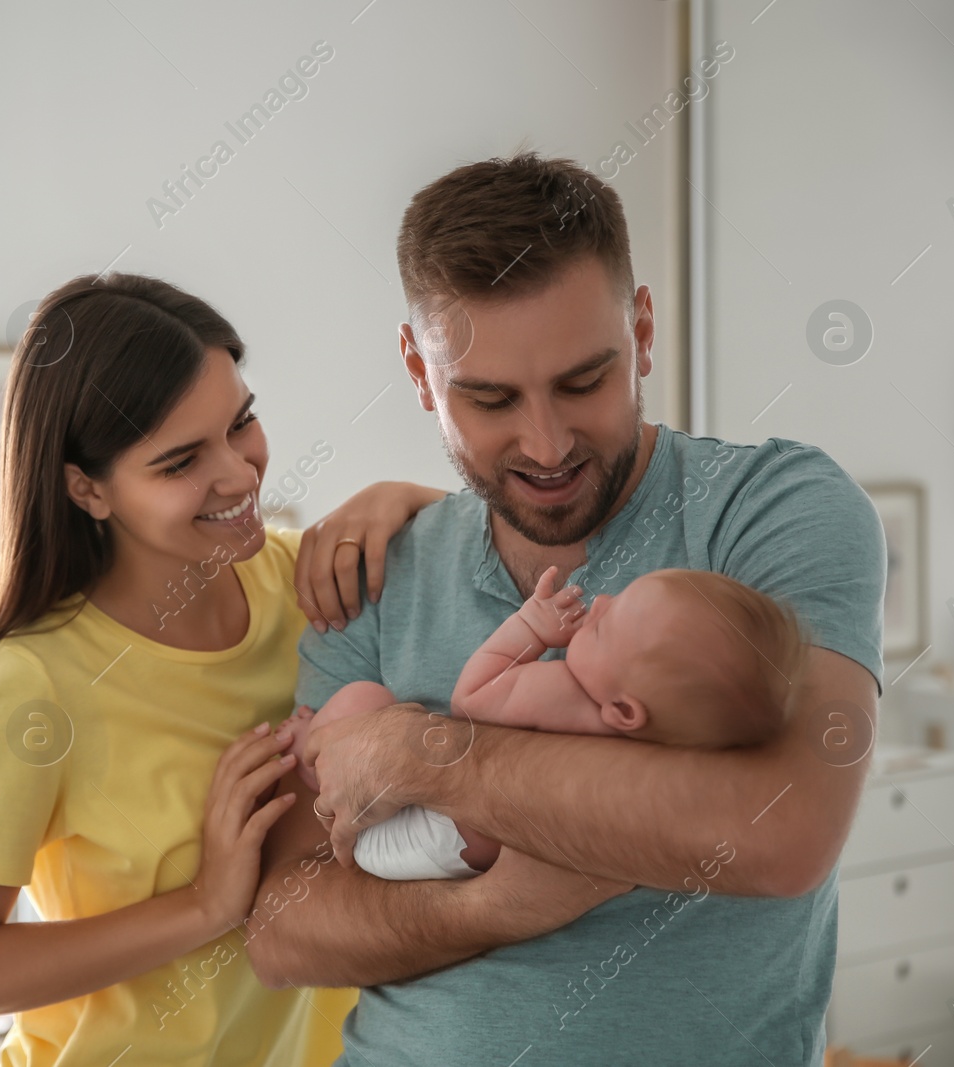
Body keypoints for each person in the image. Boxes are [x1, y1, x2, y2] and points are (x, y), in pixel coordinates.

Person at [246, 153, 886, 1066]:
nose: (546, 445)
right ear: (421, 375)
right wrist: (499, 904)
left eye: (585, 381)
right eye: (490, 398)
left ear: (644, 330)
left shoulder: (773, 508)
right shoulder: (376, 566)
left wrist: (418, 750)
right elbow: (283, 932)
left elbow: (783, 828)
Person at [0, 271, 445, 1067]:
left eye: (242, 422)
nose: (240, 473)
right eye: (181, 460)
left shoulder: (310, 586)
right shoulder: (32, 687)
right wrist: (203, 905)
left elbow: (501, 573)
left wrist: (408, 497)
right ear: (88, 488)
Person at [280, 564, 808, 879]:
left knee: (364, 697)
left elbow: (472, 700)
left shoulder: (566, 694)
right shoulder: (665, 744)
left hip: (407, 836)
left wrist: (530, 629)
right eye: (614, 601)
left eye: (603, 630)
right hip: (448, 848)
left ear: (623, 712)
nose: (598, 603)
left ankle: (308, 749)